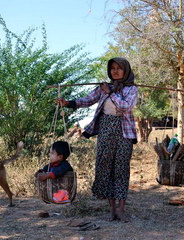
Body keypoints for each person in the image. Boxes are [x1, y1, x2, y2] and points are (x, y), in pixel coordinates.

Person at [57, 57, 138, 222]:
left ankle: (122, 209)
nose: (115, 71)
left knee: (121, 169)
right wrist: (68, 103)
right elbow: (87, 101)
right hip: (105, 130)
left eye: (119, 68)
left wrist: (111, 93)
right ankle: (112, 209)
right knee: (106, 167)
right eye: (112, 68)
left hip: (124, 132)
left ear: (126, 70)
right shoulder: (103, 88)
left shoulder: (132, 89)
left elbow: (124, 107)